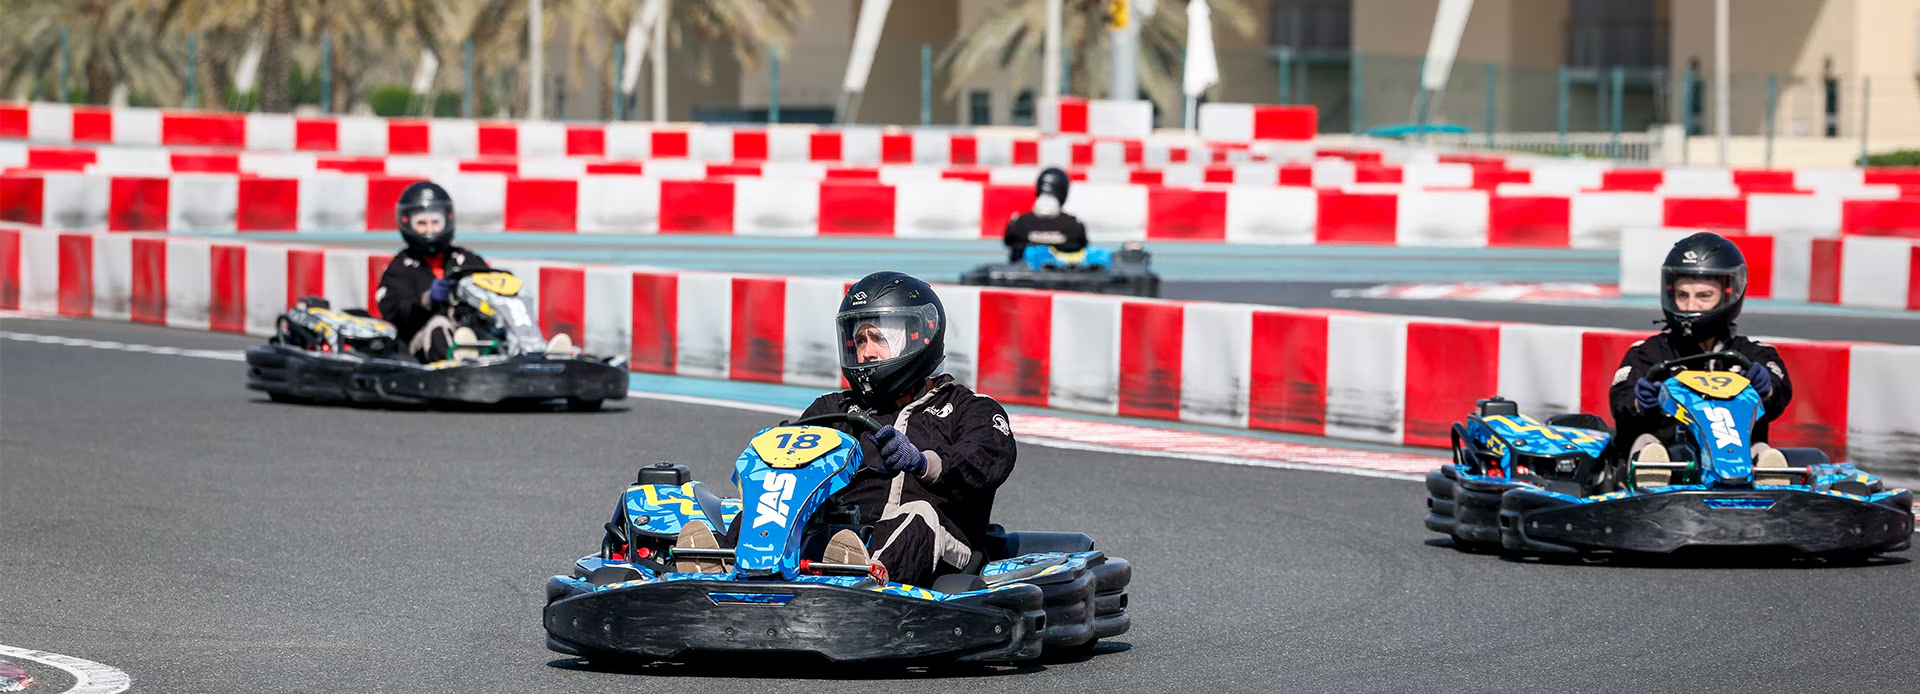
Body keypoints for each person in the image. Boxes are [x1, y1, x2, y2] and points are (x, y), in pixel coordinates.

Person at [676, 272, 1018, 586]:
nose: (867, 353)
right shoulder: (833, 408)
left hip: (937, 548)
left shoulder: (969, 408)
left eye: (878, 338)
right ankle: (723, 564)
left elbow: (987, 461)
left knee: (918, 513)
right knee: (776, 493)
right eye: (860, 340)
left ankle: (865, 581)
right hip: (840, 542)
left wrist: (922, 463)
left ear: (920, 336)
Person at [1608, 232, 1793, 486]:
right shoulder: (1649, 353)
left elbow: (1779, 390)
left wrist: (1767, 388)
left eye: (1703, 296)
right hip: (1673, 465)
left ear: (1729, 295)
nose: (1689, 306)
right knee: (1647, 445)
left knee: (1762, 451)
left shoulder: (1753, 354)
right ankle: (1650, 479)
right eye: (1682, 296)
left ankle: (1769, 481)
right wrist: (1641, 403)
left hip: (1739, 465)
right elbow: (1621, 400)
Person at [374, 181, 491, 363]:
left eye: (435, 222)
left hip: (470, 328)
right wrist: (426, 299)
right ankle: (458, 364)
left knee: (491, 326)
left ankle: (530, 353)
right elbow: (392, 311)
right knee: (439, 325)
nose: (429, 229)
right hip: (420, 341)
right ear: (408, 224)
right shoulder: (400, 267)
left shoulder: (467, 260)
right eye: (421, 223)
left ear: (447, 220)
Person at [1002, 167, 1089, 263]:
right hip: (1060, 274)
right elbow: (1082, 247)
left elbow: (1008, 242)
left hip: (1025, 275)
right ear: (1064, 191)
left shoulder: (1019, 223)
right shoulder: (1074, 225)